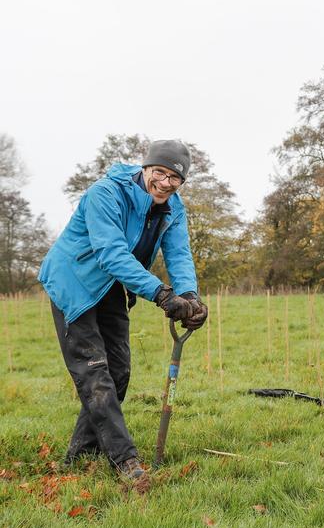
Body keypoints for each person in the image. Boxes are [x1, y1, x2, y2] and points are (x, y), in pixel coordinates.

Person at [38, 140, 209, 480]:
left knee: (119, 371)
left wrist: (190, 296)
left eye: (174, 178)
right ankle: (125, 460)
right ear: (145, 168)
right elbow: (111, 253)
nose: (164, 182)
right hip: (74, 281)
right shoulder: (106, 193)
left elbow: (178, 253)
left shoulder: (173, 207)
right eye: (158, 172)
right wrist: (160, 294)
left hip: (111, 286)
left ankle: (80, 455)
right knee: (94, 372)